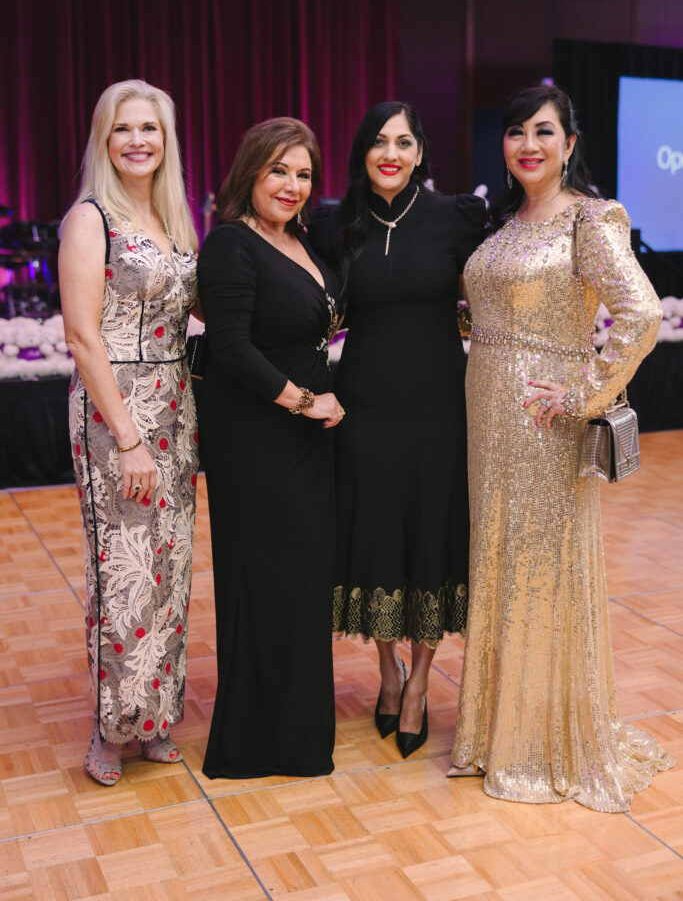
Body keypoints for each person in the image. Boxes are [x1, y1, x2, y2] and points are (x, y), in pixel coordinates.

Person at [449, 84, 674, 811]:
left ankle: (537, 742)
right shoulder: (506, 221)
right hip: (486, 414)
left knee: (539, 571)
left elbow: (639, 314)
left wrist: (586, 395)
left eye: (543, 132)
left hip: (543, 423)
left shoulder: (588, 219)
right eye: (515, 132)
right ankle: (492, 733)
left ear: (570, 143)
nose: (527, 145)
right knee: (498, 561)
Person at [309, 102, 487, 758]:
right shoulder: (335, 223)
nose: (391, 153)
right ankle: (387, 672)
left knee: (430, 535)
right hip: (363, 409)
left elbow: (498, 289)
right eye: (380, 141)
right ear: (361, 150)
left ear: (419, 154)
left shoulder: (454, 218)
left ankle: (420, 686)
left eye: (404, 142)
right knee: (376, 533)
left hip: (439, 407)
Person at [59, 79, 199, 786]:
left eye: (149, 128)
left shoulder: (174, 219)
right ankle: (110, 729)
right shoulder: (91, 218)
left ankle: (155, 719)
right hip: (118, 411)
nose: (137, 140)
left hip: (177, 405)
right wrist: (129, 437)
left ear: (166, 140)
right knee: (123, 572)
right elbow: (83, 338)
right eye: (123, 129)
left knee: (170, 569)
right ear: (104, 140)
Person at [199, 117, 342, 780]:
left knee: (303, 581)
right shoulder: (231, 243)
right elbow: (229, 347)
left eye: (303, 173)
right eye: (278, 170)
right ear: (250, 170)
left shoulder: (302, 240)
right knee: (269, 580)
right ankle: (257, 743)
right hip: (257, 438)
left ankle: (301, 733)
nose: (291, 184)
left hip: (305, 441)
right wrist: (305, 400)